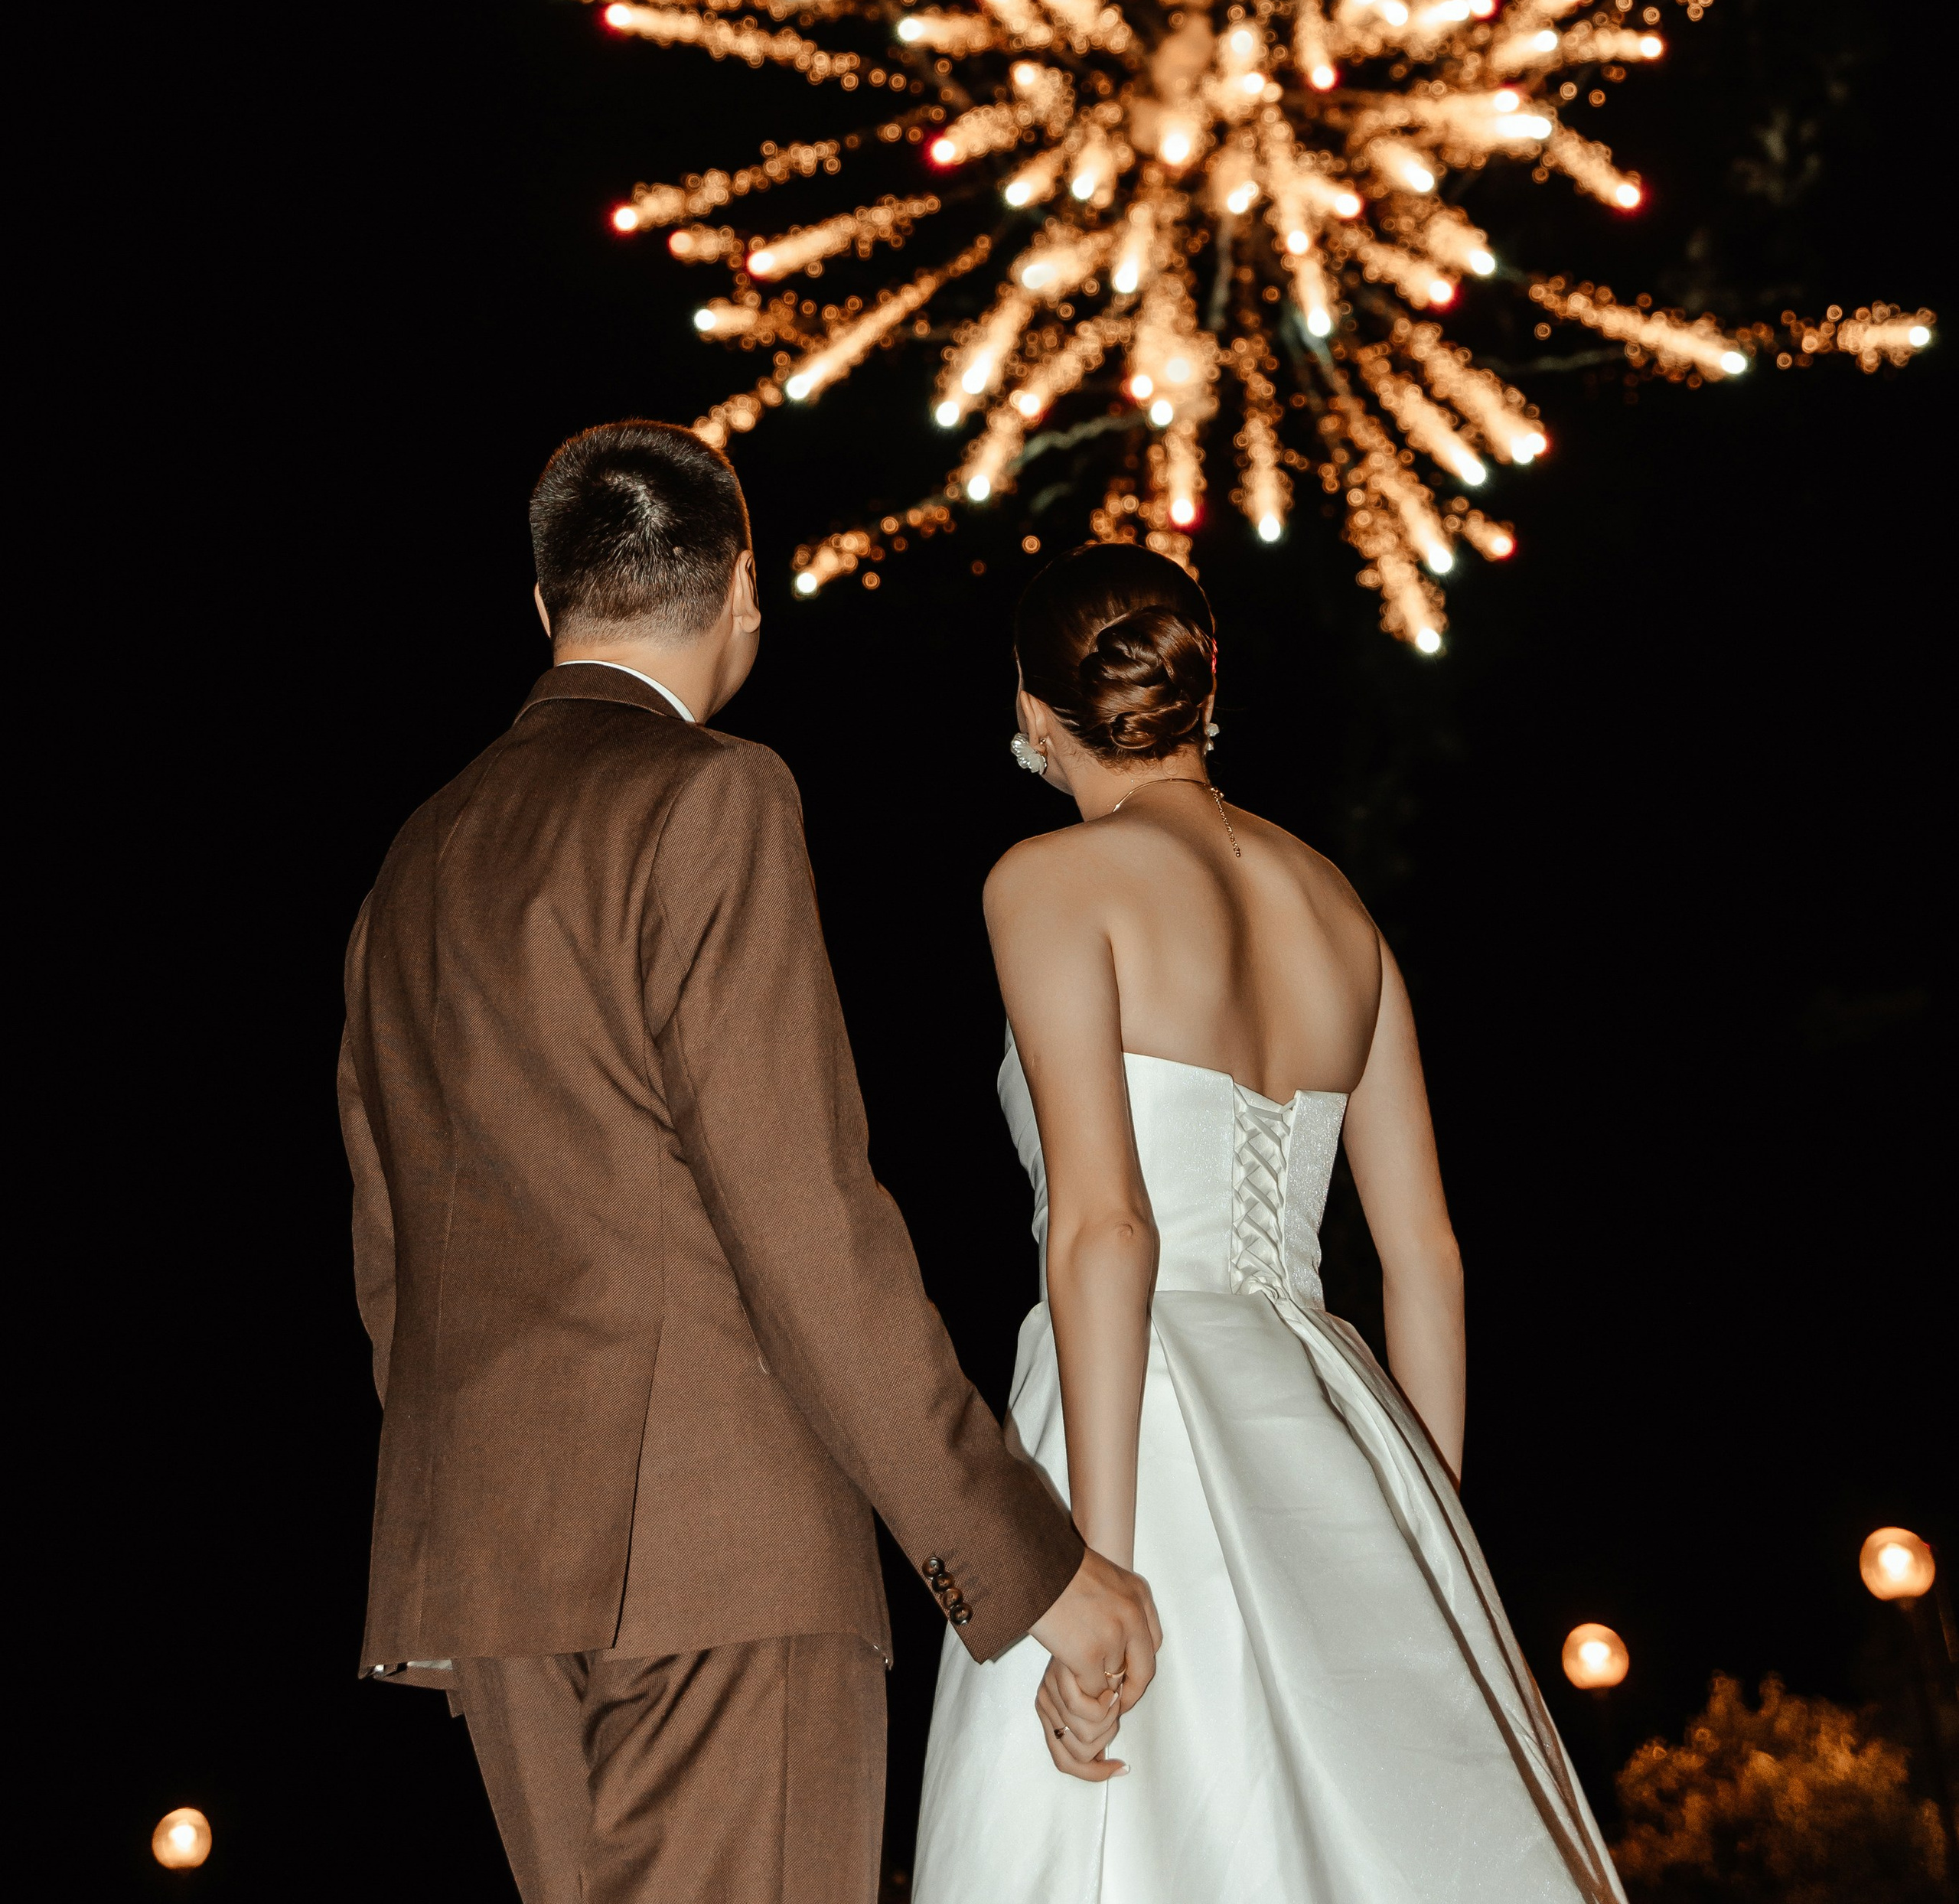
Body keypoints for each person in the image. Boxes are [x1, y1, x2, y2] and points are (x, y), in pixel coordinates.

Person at [337, 422, 1159, 1904]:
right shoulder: (713, 797)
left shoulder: (416, 859)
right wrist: (1025, 1562)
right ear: (742, 590)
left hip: (492, 1584)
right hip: (721, 1572)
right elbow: (807, 1232)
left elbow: (390, 1261)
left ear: (545, 606)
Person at [913, 542, 1626, 1902]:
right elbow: (1427, 1261)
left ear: (1033, 706)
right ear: (1197, 694)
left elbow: (1106, 1232)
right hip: (1333, 1412)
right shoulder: (1342, 913)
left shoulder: (1049, 883)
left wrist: (1098, 1578)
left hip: (1139, 1405)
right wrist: (1425, 1543)